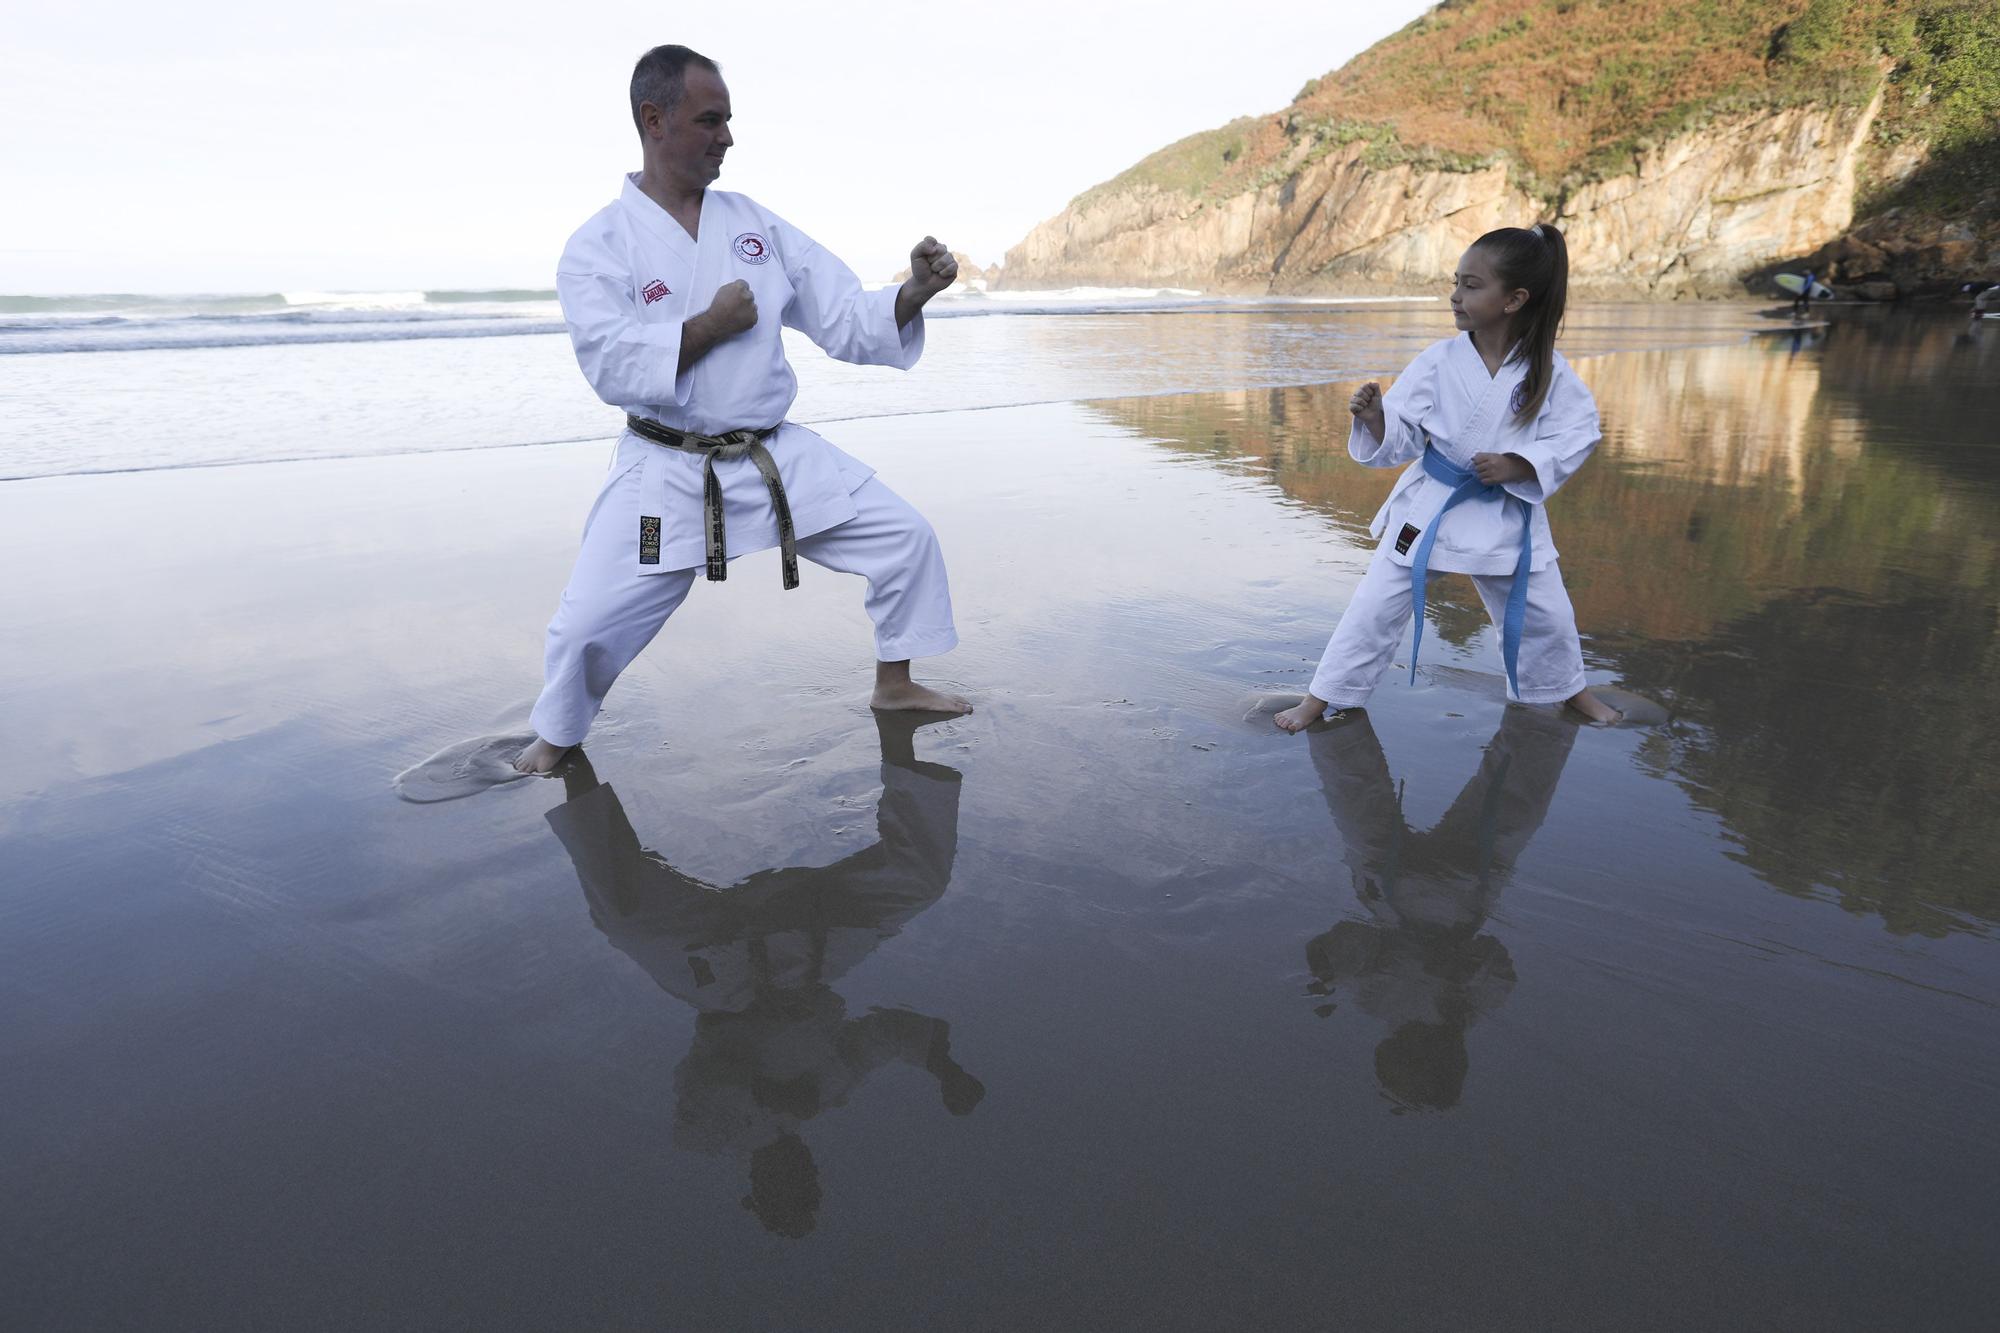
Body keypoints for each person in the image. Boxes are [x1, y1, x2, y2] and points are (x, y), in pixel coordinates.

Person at [515, 45, 969, 776]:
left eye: (728, 120)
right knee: (588, 626)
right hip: (667, 467)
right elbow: (610, 363)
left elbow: (845, 315)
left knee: (904, 537)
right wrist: (707, 327)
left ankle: (895, 684)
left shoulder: (753, 223)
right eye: (710, 120)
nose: (727, 137)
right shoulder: (597, 246)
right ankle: (554, 742)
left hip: (772, 454)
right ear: (653, 120)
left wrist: (912, 292)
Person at [544, 712, 984, 1236]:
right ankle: (899, 737)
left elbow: (704, 1079)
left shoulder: (708, 1136)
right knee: (919, 884)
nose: (798, 1175)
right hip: (809, 963)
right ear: (815, 1172)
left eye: (786, 1190)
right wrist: (943, 1066)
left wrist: (763, 1093)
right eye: (808, 1184)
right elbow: (885, 1036)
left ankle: (569, 761)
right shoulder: (825, 1093)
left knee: (622, 920)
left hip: (720, 981)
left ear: (757, 1189)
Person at [1274, 223, 1621, 732]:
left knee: (1546, 613)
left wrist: (1518, 465)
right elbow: (1406, 435)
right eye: (1455, 282)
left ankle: (1570, 692)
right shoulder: (1439, 360)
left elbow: (1578, 433)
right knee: (1376, 604)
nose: (1455, 296)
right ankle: (1322, 697)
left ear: (1514, 299)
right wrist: (1376, 420)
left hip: (1506, 510)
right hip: (1431, 506)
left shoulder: (1547, 370)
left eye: (1472, 285)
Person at [1302, 706, 1574, 1109]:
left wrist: (1325, 966)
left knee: (1355, 796)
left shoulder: (1375, 1000)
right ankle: (1542, 721)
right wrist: (1467, 966)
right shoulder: (1470, 1007)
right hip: (1469, 883)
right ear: (1453, 1058)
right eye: (1432, 1065)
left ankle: (1336, 722)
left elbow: (1338, 939)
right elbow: (1499, 961)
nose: (1423, 1054)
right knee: (1517, 803)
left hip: (1390, 884)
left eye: (1412, 1063)